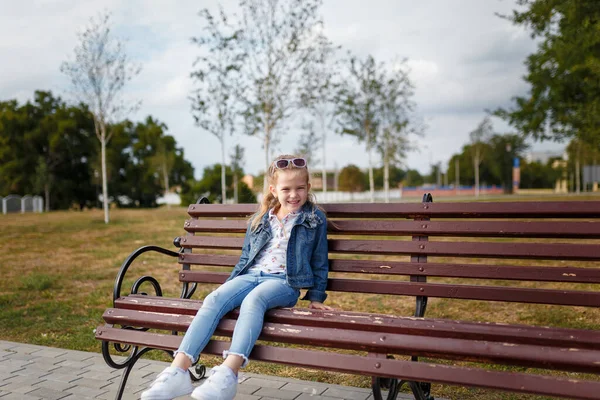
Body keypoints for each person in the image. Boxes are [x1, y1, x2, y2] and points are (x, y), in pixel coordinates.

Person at [141, 154, 332, 400]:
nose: (293, 195)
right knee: (214, 298)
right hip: (251, 276)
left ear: (308, 188)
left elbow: (320, 261)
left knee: (254, 301)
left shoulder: (314, 219)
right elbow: (245, 259)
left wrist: (316, 297)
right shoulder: (261, 219)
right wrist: (229, 289)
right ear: (274, 190)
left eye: (300, 188)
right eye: (286, 189)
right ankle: (178, 371)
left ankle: (228, 375)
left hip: (285, 282)